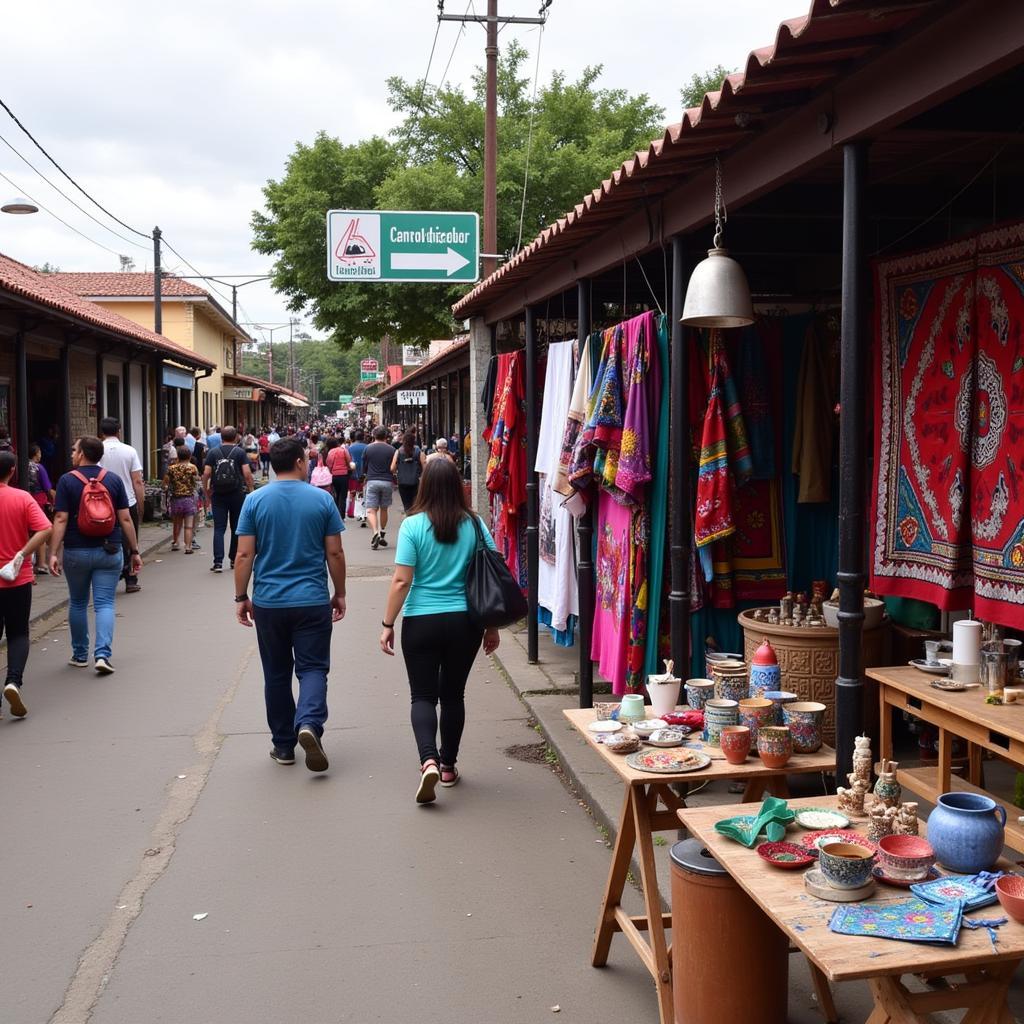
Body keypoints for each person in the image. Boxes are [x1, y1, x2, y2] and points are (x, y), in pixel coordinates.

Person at [379, 458, 500, 803]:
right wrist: (491, 626)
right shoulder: (475, 525)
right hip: (466, 622)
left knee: (422, 696)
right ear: (458, 487)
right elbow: (491, 575)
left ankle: (428, 759)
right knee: (453, 695)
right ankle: (447, 766)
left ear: (425, 485)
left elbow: (402, 580)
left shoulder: (412, 526)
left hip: (421, 621)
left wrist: (387, 624)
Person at [234, 437, 346, 772]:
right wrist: (339, 592)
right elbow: (335, 553)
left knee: (276, 673)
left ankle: (283, 746)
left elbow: (243, 554)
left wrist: (242, 597)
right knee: (312, 667)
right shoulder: (322, 500)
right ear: (299, 462)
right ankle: (309, 723)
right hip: (311, 599)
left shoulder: (254, 501)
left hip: (269, 602)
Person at [50, 436, 143, 675]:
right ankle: (102, 654)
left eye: (74, 450)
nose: (71, 453)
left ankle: (80, 654)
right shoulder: (112, 480)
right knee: (104, 603)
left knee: (79, 602)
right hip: (109, 549)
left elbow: (60, 518)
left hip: (76, 551)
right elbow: (124, 519)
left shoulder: (66, 481)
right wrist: (134, 550)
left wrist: (52, 552)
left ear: (81, 454)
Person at [0, 451, 52, 718]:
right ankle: (13, 682)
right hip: (16, 579)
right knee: (18, 633)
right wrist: (22, 554)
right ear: (12, 471)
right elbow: (45, 528)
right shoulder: (22, 498)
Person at [99, 417, 146, 594]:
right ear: (119, 430)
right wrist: (141, 504)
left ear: (101, 432)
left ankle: (108, 576)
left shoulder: (97, 450)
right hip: (128, 501)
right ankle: (131, 578)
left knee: (104, 537)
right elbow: (137, 480)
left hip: (102, 502)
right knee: (130, 539)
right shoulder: (129, 451)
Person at [203, 426, 254, 573]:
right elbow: (247, 473)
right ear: (236, 437)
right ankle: (233, 560)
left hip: (218, 494)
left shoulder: (213, 452)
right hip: (236, 493)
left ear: (221, 438)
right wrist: (251, 491)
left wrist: (207, 492)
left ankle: (218, 562)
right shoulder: (240, 452)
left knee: (219, 528)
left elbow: (206, 473)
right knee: (236, 527)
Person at [362, 426, 396, 550]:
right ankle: (381, 533)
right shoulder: (392, 449)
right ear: (386, 436)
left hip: (372, 480)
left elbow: (364, 466)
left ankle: (375, 532)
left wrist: (364, 476)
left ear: (373, 435)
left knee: (371, 510)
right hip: (387, 481)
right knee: (384, 509)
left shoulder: (368, 448)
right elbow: (394, 466)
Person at [162, 445, 199, 553]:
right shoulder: (192, 468)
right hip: (189, 499)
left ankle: (176, 542)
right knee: (188, 526)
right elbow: (196, 480)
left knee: (177, 523)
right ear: (190, 456)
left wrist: (166, 488)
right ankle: (188, 547)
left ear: (178, 456)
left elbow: (165, 483)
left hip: (176, 499)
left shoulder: (171, 468)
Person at [26, 444, 56, 573]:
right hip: (38, 500)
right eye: (39, 452)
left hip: (25, 499)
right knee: (41, 529)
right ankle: (42, 563)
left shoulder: (22, 466)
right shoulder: (39, 468)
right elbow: (48, 488)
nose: (40, 455)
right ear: (35, 453)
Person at [391, 431, 425, 513]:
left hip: (402, 482)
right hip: (415, 481)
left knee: (406, 505)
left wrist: (398, 469)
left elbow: (392, 468)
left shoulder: (398, 451)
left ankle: (408, 519)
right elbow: (425, 467)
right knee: (416, 504)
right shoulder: (418, 451)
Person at [325, 436, 353, 515]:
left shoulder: (330, 452)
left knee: (335, 495)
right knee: (343, 496)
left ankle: (336, 513)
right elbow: (349, 461)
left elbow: (328, 463)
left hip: (334, 476)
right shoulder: (344, 450)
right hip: (344, 475)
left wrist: (331, 471)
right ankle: (342, 515)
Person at [347, 430, 368, 525]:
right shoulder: (367, 447)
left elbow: (348, 461)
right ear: (363, 437)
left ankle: (352, 511)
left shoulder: (350, 448)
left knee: (353, 493)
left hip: (353, 472)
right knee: (363, 493)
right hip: (364, 473)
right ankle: (363, 513)